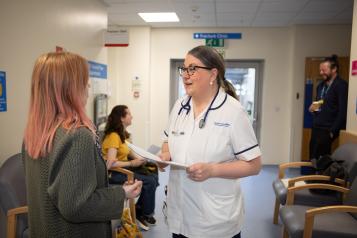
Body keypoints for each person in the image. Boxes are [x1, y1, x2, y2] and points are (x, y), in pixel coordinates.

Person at [22, 52, 142, 238]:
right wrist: (122, 193)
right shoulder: (78, 136)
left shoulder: (34, 134)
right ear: (69, 89)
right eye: (84, 82)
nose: (87, 88)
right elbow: (77, 206)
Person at [159, 45, 262, 238]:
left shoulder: (233, 111)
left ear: (213, 74)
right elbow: (167, 139)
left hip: (215, 222)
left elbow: (254, 165)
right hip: (179, 214)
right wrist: (165, 155)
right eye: (184, 69)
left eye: (193, 69)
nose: (185, 75)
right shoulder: (179, 106)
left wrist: (213, 170)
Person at [102, 105, 159, 231]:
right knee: (149, 181)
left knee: (153, 171)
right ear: (122, 118)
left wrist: (146, 158)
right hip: (114, 173)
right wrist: (132, 164)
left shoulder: (123, 135)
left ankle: (142, 210)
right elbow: (109, 164)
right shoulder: (113, 136)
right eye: (129, 114)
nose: (132, 116)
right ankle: (142, 213)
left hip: (124, 168)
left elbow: (130, 153)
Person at [308, 54, 348, 160]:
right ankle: (312, 177)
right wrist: (313, 109)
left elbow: (343, 112)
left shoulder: (341, 85)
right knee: (312, 158)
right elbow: (321, 106)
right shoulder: (320, 86)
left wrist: (332, 132)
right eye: (320, 70)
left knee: (323, 162)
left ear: (334, 69)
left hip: (328, 130)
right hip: (316, 127)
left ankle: (320, 177)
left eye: (324, 70)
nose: (321, 73)